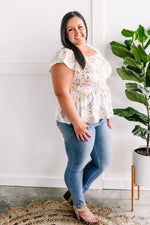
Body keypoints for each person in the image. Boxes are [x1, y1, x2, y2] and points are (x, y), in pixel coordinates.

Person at [50, 11, 113, 225]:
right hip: (75, 120)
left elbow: (100, 85)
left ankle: (75, 194)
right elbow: (61, 92)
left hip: (99, 117)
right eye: (71, 29)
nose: (77, 32)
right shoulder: (65, 55)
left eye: (80, 26)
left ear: (85, 27)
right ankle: (80, 206)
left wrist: (107, 112)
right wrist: (77, 122)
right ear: (65, 33)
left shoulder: (93, 49)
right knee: (77, 164)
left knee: (103, 162)